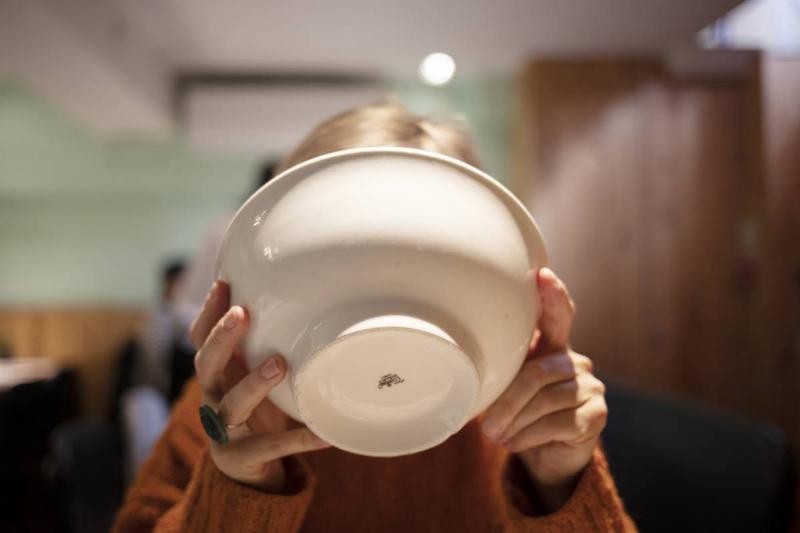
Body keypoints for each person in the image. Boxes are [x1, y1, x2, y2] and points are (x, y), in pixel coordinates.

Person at [112, 102, 636, 532]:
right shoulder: (235, 404)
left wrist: (560, 485)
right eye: (349, 252)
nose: (389, 283)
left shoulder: (518, 402)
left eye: (426, 252)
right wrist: (241, 487)